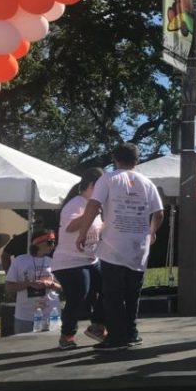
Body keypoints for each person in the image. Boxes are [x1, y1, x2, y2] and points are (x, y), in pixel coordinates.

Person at [76, 143, 164, 351]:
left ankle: (116, 337)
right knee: (133, 294)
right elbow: (159, 213)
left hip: (113, 246)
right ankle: (131, 333)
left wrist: (82, 233)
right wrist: (152, 232)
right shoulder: (147, 182)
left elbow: (93, 205)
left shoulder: (108, 178)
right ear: (137, 160)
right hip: (138, 248)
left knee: (113, 294)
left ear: (115, 159)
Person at [51, 168, 106, 350]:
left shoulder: (95, 206)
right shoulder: (76, 203)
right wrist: (92, 212)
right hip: (69, 261)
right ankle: (67, 336)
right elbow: (71, 227)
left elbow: (100, 230)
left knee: (110, 287)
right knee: (79, 296)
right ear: (91, 186)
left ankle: (97, 326)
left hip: (91, 259)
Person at [5, 230, 61, 334]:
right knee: (22, 347)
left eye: (54, 242)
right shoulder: (20, 261)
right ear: (38, 243)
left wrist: (51, 284)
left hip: (50, 315)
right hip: (25, 316)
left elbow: (62, 288)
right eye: (50, 242)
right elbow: (9, 287)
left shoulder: (54, 261)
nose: (53, 245)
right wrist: (29, 284)